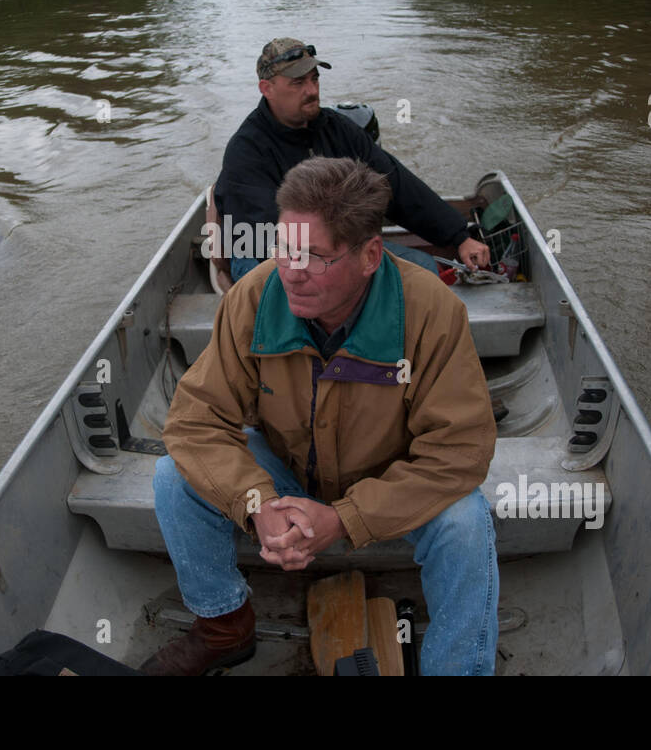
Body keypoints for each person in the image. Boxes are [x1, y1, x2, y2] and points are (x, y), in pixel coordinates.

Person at [142, 157, 499, 676]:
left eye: (315, 256)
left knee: (467, 523)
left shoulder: (433, 312)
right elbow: (196, 421)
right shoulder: (253, 297)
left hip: (391, 484)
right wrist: (257, 503)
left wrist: (347, 518)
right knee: (174, 477)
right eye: (285, 247)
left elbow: (459, 452)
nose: (292, 269)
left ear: (371, 254)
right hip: (290, 470)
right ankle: (224, 628)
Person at [215, 38, 490, 281]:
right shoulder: (246, 149)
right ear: (267, 88)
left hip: (336, 247)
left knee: (423, 270)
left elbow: (394, 183)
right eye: (298, 82)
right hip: (265, 256)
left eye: (314, 79)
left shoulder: (336, 129)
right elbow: (266, 234)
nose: (311, 90)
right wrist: (340, 257)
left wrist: (459, 237)